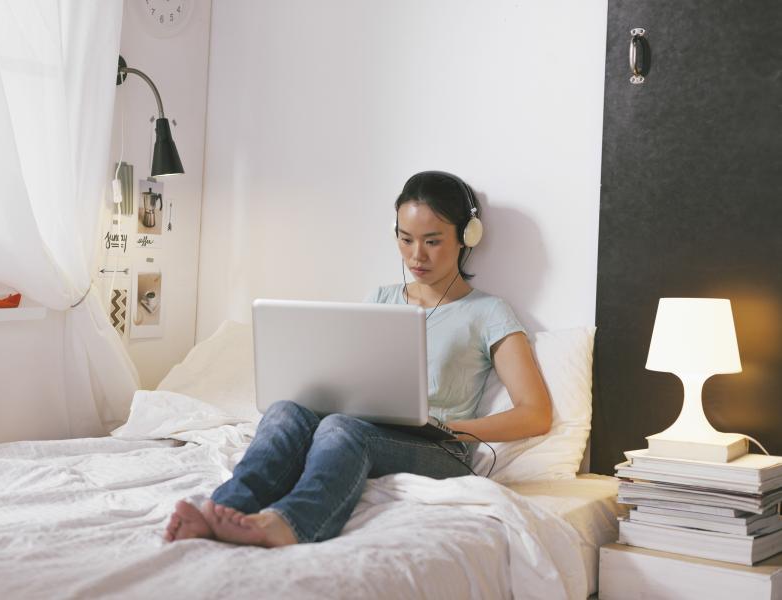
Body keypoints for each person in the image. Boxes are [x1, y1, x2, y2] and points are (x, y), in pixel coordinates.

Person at [164, 171, 552, 547]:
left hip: (440, 449)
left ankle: (290, 523)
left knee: (342, 430)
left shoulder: (488, 311)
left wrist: (452, 428)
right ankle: (224, 508)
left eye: (432, 241)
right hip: (365, 425)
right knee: (285, 411)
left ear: (467, 236)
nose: (417, 255)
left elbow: (535, 413)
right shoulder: (380, 300)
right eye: (406, 239)